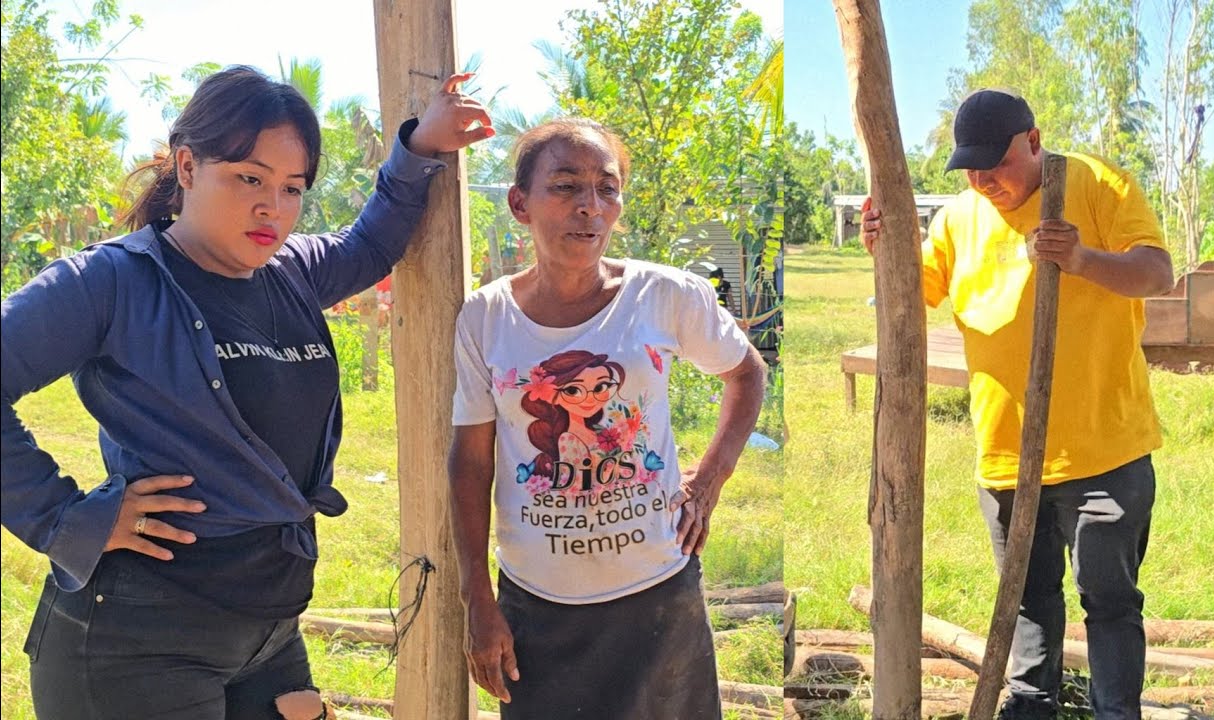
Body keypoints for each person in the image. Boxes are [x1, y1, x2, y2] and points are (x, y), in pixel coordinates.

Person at [1, 65, 492, 719]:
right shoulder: (110, 283)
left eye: (292, 188)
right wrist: (65, 518)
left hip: (268, 630)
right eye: (250, 178)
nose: (274, 208)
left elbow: (371, 243)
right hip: (136, 644)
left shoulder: (289, 273)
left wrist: (420, 148)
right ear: (187, 166)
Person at [860, 89, 1173, 720]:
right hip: (1003, 454)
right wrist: (883, 250)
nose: (981, 179)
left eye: (994, 164)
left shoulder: (1097, 183)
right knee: (1026, 599)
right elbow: (910, 295)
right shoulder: (956, 218)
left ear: (1033, 141)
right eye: (968, 167)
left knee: (1109, 599)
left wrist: (1081, 259)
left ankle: (1118, 713)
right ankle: (1032, 706)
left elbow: (1156, 272)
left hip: (1103, 450)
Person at [449, 117, 767, 719]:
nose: (589, 207)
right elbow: (469, 463)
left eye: (607, 188)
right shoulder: (485, 319)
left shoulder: (665, 296)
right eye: (566, 187)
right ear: (521, 203)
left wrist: (708, 481)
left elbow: (746, 373)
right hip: (538, 606)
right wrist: (478, 601)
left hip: (657, 596)